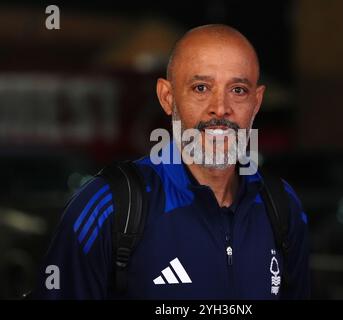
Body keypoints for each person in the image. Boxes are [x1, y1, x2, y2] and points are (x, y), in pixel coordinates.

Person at [31, 24, 310, 299]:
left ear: (257, 102)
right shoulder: (108, 206)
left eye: (238, 90)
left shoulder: (281, 206)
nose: (221, 108)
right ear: (167, 97)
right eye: (201, 87)